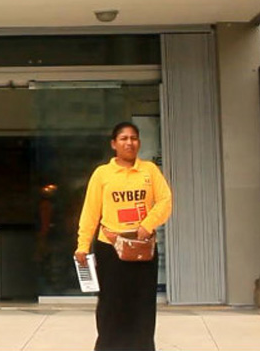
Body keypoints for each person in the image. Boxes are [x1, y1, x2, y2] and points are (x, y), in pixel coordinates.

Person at [75, 122, 173, 351]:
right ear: (113, 144)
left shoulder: (150, 170)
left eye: (134, 138)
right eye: (123, 138)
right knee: (111, 305)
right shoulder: (102, 174)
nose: (129, 142)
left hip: (143, 248)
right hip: (110, 249)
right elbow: (90, 212)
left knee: (142, 305)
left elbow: (165, 201)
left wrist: (147, 225)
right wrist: (82, 245)